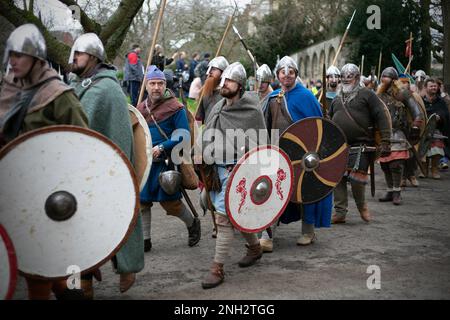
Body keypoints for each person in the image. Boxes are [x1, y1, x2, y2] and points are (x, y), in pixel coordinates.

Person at [0, 24, 89, 300]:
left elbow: (85, 148)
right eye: (10, 55)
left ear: (37, 58)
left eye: (20, 55)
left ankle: (68, 289)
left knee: (45, 267)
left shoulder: (59, 95)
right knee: (35, 264)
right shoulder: (11, 90)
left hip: (54, 194)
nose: (13, 61)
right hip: (19, 191)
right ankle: (65, 290)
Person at [69, 33, 144, 295]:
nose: (73, 57)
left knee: (102, 225)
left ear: (92, 56)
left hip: (101, 174)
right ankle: (82, 284)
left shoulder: (107, 89)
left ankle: (124, 266)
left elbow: (93, 130)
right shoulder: (81, 86)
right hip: (77, 173)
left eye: (78, 53)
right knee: (77, 232)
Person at [200, 62, 267, 289]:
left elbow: (261, 146)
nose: (224, 83)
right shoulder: (218, 106)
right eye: (223, 80)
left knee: (224, 217)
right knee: (232, 214)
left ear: (239, 85)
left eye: (229, 81)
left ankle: (217, 268)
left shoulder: (251, 110)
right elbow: (208, 133)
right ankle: (255, 247)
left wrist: (246, 169)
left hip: (238, 171)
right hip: (216, 170)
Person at [259, 56, 333, 253]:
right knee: (273, 191)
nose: (286, 75)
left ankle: (308, 231)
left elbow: (318, 127)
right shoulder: (273, 97)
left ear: (296, 74)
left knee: (305, 193)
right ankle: (267, 235)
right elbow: (264, 126)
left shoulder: (306, 96)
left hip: (304, 154)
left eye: (290, 72)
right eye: (283, 72)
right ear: (277, 75)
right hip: (278, 152)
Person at [137, 65, 201, 252]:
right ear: (146, 85)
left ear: (165, 85)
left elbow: (183, 135)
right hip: (146, 162)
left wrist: (162, 147)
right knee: (143, 202)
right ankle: (146, 240)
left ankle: (192, 223)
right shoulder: (141, 108)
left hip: (167, 161)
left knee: (170, 203)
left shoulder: (175, 108)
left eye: (160, 83)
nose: (156, 87)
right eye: (152, 83)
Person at [329, 63, 392, 224]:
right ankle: (340, 212)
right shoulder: (336, 98)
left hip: (361, 144)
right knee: (337, 179)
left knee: (357, 179)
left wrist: (385, 141)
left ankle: (362, 206)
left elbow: (381, 116)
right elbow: (329, 120)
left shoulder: (367, 95)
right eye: (343, 77)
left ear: (357, 78)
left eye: (350, 77)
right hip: (338, 145)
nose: (346, 80)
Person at [376, 67, 424, 205]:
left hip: (398, 132)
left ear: (393, 80)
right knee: (385, 164)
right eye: (382, 77)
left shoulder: (403, 94)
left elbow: (417, 113)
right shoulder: (379, 96)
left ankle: (397, 192)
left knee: (396, 164)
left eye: (387, 77)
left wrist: (415, 126)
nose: (383, 80)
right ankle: (390, 191)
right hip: (383, 134)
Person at [398, 74, 426, 186]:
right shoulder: (393, 96)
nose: (404, 85)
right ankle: (402, 177)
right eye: (401, 82)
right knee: (399, 156)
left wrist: (417, 128)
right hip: (398, 130)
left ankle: (411, 175)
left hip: (412, 129)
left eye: (406, 82)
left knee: (411, 155)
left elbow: (421, 113)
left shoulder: (415, 96)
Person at [421, 78, 450, 179]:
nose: (434, 87)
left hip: (436, 129)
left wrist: (440, 117)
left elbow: (445, 114)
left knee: (436, 150)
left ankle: (434, 169)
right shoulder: (421, 100)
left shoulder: (440, 101)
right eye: (431, 86)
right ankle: (423, 170)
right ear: (425, 87)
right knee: (422, 150)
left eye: (435, 86)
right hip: (423, 129)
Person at [194, 56, 229, 125]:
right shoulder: (204, 91)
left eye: (213, 69)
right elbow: (199, 118)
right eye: (209, 69)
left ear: (223, 72)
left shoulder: (229, 93)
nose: (209, 72)